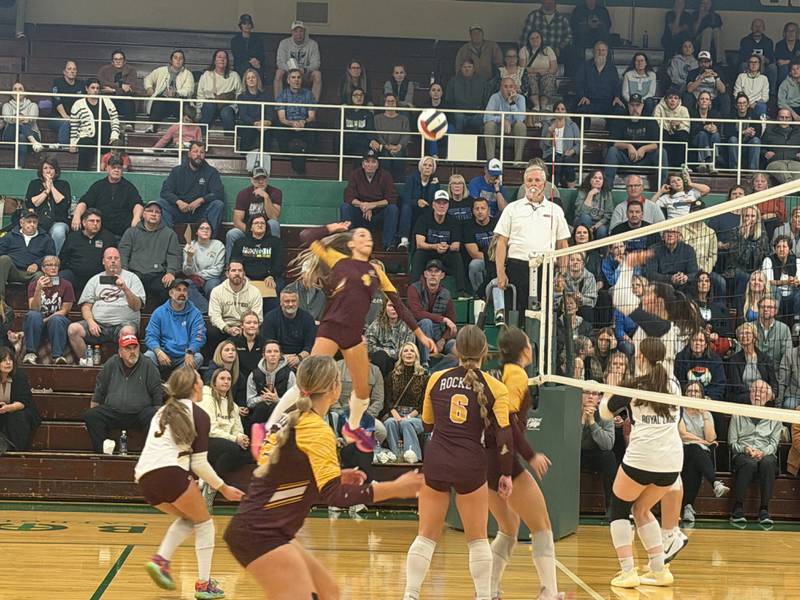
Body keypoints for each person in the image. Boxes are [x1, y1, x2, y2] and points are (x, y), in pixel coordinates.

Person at [225, 355, 421, 599]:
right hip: (260, 532)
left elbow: (280, 474)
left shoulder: (291, 419)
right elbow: (335, 496)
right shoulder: (316, 429)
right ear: (334, 388)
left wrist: (333, 475)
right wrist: (396, 488)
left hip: (263, 528)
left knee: (328, 592)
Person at [265, 224, 435, 453]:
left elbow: (399, 306)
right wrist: (332, 227)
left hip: (354, 334)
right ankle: (271, 427)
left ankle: (352, 429)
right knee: (306, 383)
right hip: (332, 327)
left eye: (370, 236)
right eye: (362, 235)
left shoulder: (377, 272)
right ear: (351, 242)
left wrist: (421, 335)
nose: (368, 239)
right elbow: (306, 236)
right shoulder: (338, 259)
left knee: (362, 393)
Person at [402, 326, 513, 600]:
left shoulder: (436, 378)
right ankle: (484, 596)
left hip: (437, 459)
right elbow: (504, 435)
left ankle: (410, 594)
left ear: (456, 350)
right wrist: (506, 473)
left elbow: (427, 424)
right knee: (477, 539)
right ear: (485, 352)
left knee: (425, 536)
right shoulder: (496, 387)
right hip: (470, 463)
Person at [137, 365, 244, 599]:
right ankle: (203, 585)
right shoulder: (199, 414)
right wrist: (223, 488)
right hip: (169, 472)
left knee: (190, 519)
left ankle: (161, 561)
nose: (203, 384)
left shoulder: (162, 411)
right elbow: (199, 463)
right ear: (195, 386)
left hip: (144, 477)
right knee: (205, 523)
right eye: (200, 380)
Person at [488, 326, 566, 600]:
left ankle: (489, 591)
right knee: (542, 525)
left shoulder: (502, 373)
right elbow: (507, 422)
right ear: (524, 349)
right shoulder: (517, 375)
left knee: (508, 528)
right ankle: (549, 593)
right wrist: (531, 455)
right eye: (529, 344)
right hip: (502, 458)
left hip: (485, 459)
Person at [599, 337, 680, 588]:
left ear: (642, 358)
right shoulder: (674, 384)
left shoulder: (633, 385)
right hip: (671, 462)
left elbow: (604, 413)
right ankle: (659, 570)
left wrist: (611, 388)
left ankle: (627, 571)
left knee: (619, 509)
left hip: (643, 457)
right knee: (642, 510)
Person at [494, 164, 570, 314]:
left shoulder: (555, 210)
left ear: (544, 184)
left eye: (537, 180)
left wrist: (562, 274)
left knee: (542, 317)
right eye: (529, 180)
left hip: (545, 269)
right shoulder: (512, 208)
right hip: (517, 267)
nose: (533, 184)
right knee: (515, 316)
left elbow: (563, 244)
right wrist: (500, 272)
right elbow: (501, 242)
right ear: (524, 184)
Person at [84, 331, 162, 452]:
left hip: (139, 414)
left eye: (135, 348)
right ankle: (102, 453)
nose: (132, 352)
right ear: (120, 352)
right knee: (91, 415)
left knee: (153, 415)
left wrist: (159, 416)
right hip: (113, 413)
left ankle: (149, 454)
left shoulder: (148, 364)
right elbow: (100, 389)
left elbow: (157, 392)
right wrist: (93, 406)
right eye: (128, 349)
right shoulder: (111, 363)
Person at [66, 248, 145, 361]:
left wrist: (125, 289)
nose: (113, 261)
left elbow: (137, 306)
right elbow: (86, 307)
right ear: (103, 261)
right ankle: (87, 364)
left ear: (120, 261)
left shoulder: (132, 278)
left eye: (116, 258)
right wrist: (91, 322)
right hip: (99, 325)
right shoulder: (95, 280)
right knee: (73, 329)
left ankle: (122, 367)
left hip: (124, 324)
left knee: (127, 332)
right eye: (109, 258)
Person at [728, 379, 782, 527]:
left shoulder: (775, 416)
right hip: (743, 454)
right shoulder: (738, 413)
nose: (757, 394)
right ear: (750, 394)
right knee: (749, 463)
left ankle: (764, 509)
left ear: (769, 396)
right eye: (754, 390)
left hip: (765, 453)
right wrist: (745, 449)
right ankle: (738, 508)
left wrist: (762, 452)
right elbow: (732, 442)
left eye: (762, 391)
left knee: (768, 463)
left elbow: (773, 445)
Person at [199, 367, 254, 508]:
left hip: (227, 443)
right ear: (214, 382)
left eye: (229, 379)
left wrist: (242, 438)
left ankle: (209, 482)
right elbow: (211, 430)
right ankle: (211, 483)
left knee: (250, 453)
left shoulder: (233, 405)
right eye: (222, 378)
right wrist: (235, 439)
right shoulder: (207, 399)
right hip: (207, 441)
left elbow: (238, 429)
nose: (226, 382)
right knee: (233, 449)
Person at [678, 381, 729, 523]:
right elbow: (683, 434)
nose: (693, 394)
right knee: (695, 449)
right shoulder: (680, 411)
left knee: (695, 466)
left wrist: (705, 414)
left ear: (701, 395)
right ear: (685, 394)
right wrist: (703, 442)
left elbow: (711, 437)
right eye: (690, 391)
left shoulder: (706, 414)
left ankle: (688, 507)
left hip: (699, 455)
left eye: (696, 392)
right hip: (683, 450)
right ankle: (714, 483)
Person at [119, 199, 181, 307]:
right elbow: (123, 253)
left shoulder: (169, 234)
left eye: (157, 212)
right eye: (150, 211)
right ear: (143, 214)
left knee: (169, 287)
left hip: (158, 274)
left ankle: (162, 316)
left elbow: (174, 255)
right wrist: (124, 272)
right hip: (135, 273)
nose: (154, 214)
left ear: (161, 216)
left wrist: (171, 272)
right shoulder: (131, 232)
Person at [158, 141, 225, 235]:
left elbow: (218, 193)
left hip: (200, 212)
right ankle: (168, 238)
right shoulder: (177, 171)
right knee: (161, 203)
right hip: (179, 210)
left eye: (201, 152)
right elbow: (165, 192)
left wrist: (201, 200)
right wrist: (178, 202)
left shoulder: (211, 172)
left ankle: (210, 240)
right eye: (195, 151)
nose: (198, 155)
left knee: (218, 205)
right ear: (189, 154)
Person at [378, 342, 429, 463]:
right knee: (389, 423)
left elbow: (424, 402)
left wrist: (408, 416)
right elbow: (388, 399)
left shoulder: (424, 376)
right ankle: (397, 457)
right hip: (395, 413)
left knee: (406, 423)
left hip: (416, 415)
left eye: (412, 351)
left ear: (416, 355)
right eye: (405, 351)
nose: (409, 353)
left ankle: (413, 458)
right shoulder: (392, 375)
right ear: (401, 355)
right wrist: (395, 414)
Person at [340, 149, 400, 251]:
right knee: (345, 207)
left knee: (392, 209)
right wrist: (363, 205)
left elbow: (392, 198)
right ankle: (348, 243)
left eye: (373, 162)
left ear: (378, 164)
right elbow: (348, 197)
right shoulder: (355, 174)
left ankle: (388, 245)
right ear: (363, 164)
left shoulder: (385, 175)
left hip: (379, 215)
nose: (370, 165)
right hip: (360, 214)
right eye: (367, 162)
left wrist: (373, 205)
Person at [409, 191, 467, 296]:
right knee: (419, 254)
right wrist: (435, 246)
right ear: (433, 205)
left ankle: (461, 291)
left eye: (444, 203)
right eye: (438, 203)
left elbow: (456, 245)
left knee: (457, 256)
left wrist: (447, 247)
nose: (441, 206)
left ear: (448, 206)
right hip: (428, 252)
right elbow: (419, 243)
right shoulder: (424, 219)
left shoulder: (453, 221)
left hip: (445, 253)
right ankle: (413, 290)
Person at [71, 155, 142, 239]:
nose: (116, 170)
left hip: (122, 232)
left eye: (119, 168)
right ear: (107, 168)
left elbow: (138, 204)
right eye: (113, 167)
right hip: (100, 231)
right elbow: (84, 202)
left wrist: (136, 218)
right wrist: (77, 216)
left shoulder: (129, 187)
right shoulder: (98, 186)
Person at [144, 279, 206, 376]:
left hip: (184, 356)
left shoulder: (195, 313)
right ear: (171, 293)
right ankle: (157, 382)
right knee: (148, 356)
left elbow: (199, 336)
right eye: (178, 290)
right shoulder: (159, 312)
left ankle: (173, 382)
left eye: (185, 290)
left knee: (198, 358)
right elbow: (150, 336)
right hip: (164, 354)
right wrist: (158, 351)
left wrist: (190, 351)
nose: (182, 293)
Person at [603, 94, 668, 185]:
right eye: (632, 105)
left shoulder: (650, 121)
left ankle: (662, 188)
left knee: (661, 152)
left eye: (638, 105)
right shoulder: (620, 119)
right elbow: (612, 142)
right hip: (625, 158)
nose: (635, 108)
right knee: (612, 151)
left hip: (645, 159)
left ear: (642, 106)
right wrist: (628, 146)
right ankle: (607, 188)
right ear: (628, 106)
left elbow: (658, 143)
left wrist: (644, 149)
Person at [407, 259, 458, 368]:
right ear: (425, 274)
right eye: (430, 271)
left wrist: (443, 340)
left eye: (437, 271)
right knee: (426, 322)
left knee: (455, 347)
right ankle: (426, 364)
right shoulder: (414, 289)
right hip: (417, 337)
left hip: (438, 337)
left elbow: (452, 324)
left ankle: (436, 371)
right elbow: (416, 313)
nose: (433, 274)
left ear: (442, 275)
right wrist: (443, 319)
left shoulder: (446, 294)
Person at [22, 255, 73, 365]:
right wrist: (38, 290)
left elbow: (65, 310)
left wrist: (46, 320)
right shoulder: (34, 285)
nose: (53, 268)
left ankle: (58, 356)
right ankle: (30, 354)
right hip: (37, 323)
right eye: (49, 265)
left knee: (57, 319)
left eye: (56, 265)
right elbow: (33, 308)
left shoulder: (66, 285)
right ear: (43, 268)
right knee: (33, 315)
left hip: (57, 324)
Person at [59, 208, 118, 298]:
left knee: (116, 280)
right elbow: (63, 258)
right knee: (58, 279)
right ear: (84, 223)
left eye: (98, 221)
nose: (95, 224)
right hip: (76, 275)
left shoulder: (108, 237)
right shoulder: (73, 237)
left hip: (100, 277)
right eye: (92, 221)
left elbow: (115, 260)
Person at [0, 208, 54, 302]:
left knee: (40, 276)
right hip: (13, 270)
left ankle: (35, 304)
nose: (32, 224)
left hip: (32, 273)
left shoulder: (46, 238)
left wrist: (37, 264)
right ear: (21, 223)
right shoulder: (10, 236)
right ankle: (0, 299)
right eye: (29, 222)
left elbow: (51, 257)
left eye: (34, 222)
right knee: (4, 259)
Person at [207, 261, 263, 350]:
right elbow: (214, 316)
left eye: (240, 270)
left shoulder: (255, 292)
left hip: (245, 327)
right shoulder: (217, 291)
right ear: (227, 274)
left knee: (261, 331)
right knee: (211, 331)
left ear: (244, 274)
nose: (237, 273)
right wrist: (227, 328)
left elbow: (257, 316)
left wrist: (244, 328)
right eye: (233, 270)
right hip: (224, 327)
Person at [231, 214, 284, 307]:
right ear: (251, 227)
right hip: (246, 278)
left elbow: (279, 263)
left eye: (262, 223)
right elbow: (234, 262)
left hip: (268, 278)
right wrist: (242, 276)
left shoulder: (276, 242)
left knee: (277, 288)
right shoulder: (240, 242)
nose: (260, 225)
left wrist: (271, 276)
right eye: (256, 223)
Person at [69, 77, 120, 171]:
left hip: (107, 138)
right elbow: (74, 125)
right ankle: (83, 173)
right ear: (86, 88)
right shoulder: (78, 104)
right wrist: (73, 143)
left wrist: (114, 133)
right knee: (85, 145)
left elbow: (115, 119)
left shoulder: (107, 101)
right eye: (92, 88)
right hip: (87, 138)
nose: (95, 90)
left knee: (116, 145)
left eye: (97, 88)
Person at [580, 389, 616, 515]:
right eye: (586, 392)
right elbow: (569, 443)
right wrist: (582, 421)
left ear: (599, 398)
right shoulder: (570, 410)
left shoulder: (606, 414)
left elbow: (608, 445)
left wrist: (592, 423)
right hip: (575, 454)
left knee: (609, 457)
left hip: (596, 454)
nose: (590, 396)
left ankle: (611, 508)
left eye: (594, 394)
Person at [24, 155, 70, 254]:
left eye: (51, 168)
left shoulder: (63, 184)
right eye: (45, 168)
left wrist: (51, 186)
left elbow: (63, 203)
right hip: (38, 220)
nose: (48, 171)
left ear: (56, 170)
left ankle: (54, 258)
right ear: (41, 171)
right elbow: (33, 203)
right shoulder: (34, 184)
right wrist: (46, 191)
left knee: (58, 232)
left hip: (58, 220)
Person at [245, 339, 297, 427]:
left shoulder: (289, 374)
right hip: (259, 413)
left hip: (281, 414)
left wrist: (277, 400)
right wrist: (262, 398)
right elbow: (249, 402)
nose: (273, 354)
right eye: (269, 352)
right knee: (262, 406)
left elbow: (293, 403)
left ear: (280, 355)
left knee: (274, 407)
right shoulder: (254, 374)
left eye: (276, 351)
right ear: (263, 355)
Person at [275, 68, 317, 175]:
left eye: (298, 77)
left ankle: (297, 171)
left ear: (302, 80)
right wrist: (292, 123)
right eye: (293, 77)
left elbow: (312, 116)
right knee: (282, 131)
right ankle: (299, 171)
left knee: (312, 127)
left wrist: (304, 121)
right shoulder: (282, 95)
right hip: (288, 126)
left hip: (304, 126)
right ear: (288, 80)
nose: (296, 80)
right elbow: (282, 118)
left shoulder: (308, 94)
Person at [573, 40, 624, 128]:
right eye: (598, 50)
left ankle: (612, 136)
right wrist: (582, 96)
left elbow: (616, 85)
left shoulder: (612, 68)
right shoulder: (585, 66)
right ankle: (582, 136)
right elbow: (579, 83)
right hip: (589, 101)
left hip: (607, 102)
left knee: (619, 111)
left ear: (607, 53)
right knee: (579, 110)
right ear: (593, 52)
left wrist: (617, 96)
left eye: (603, 50)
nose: (601, 53)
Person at [143, 49, 195, 131]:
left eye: (181, 58)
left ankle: (184, 130)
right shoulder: (161, 70)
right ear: (171, 60)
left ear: (183, 61)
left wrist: (176, 93)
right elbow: (148, 78)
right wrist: (149, 88)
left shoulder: (188, 74)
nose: (178, 60)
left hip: (178, 101)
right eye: (175, 58)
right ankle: (153, 126)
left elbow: (189, 90)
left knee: (184, 103)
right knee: (159, 100)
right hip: (164, 101)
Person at [726, 322, 778, 404]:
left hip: (764, 397)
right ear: (739, 339)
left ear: (754, 337)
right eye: (741, 333)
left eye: (747, 333)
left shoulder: (765, 359)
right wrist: (756, 392)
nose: (744, 336)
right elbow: (737, 387)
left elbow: (773, 383)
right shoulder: (734, 360)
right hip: (744, 397)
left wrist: (772, 395)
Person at [0, 347, 40, 451]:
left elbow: (23, 402)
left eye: (10, 360)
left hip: (21, 411)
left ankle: (15, 449)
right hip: (2, 412)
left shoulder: (19, 376)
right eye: (4, 360)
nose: (8, 363)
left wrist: (7, 408)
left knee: (17, 416)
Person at [261, 288, 316, 365]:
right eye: (287, 301)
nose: (290, 304)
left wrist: (299, 358)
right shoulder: (270, 318)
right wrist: (282, 357)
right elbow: (268, 344)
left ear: (298, 302)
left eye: (293, 301)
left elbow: (309, 346)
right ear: (281, 303)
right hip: (276, 358)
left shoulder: (308, 319)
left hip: (301, 358)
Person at [182, 220, 225, 315]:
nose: (205, 230)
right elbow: (187, 272)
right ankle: (206, 310)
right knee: (186, 284)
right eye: (202, 228)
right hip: (193, 279)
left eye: (208, 228)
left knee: (213, 286)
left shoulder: (218, 245)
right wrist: (189, 258)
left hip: (211, 278)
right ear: (197, 232)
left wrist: (199, 274)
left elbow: (218, 270)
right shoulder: (189, 246)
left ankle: (215, 311)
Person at [273, 20, 322, 101]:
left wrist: (305, 69)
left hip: (305, 73)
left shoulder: (312, 44)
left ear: (305, 32)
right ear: (292, 32)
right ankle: (278, 104)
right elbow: (280, 62)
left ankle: (313, 105)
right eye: (296, 31)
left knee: (317, 74)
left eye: (301, 31)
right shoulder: (284, 43)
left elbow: (316, 63)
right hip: (288, 73)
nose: (299, 34)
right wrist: (291, 70)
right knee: (278, 73)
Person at [196, 49, 243, 132]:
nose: (222, 59)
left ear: (227, 61)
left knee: (226, 112)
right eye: (219, 57)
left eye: (225, 57)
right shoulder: (207, 75)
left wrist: (235, 108)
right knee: (210, 106)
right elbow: (200, 95)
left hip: (227, 106)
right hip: (209, 107)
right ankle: (201, 136)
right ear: (214, 60)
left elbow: (239, 94)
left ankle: (229, 137)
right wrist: (198, 110)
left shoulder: (234, 75)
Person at [399, 156, 439, 251]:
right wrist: (417, 202)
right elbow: (406, 198)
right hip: (412, 209)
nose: (427, 167)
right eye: (425, 165)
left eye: (430, 165)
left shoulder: (434, 182)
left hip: (426, 210)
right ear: (421, 167)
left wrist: (433, 186)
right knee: (406, 208)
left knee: (432, 210)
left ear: (433, 169)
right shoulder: (411, 179)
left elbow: (434, 201)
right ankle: (404, 240)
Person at [366, 300, 415, 377]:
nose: (393, 309)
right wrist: (384, 352)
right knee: (380, 356)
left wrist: (389, 352)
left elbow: (409, 347)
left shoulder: (407, 326)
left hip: (399, 361)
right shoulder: (377, 324)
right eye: (390, 305)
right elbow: (368, 345)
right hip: (381, 360)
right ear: (385, 308)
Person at [483, 77, 527, 163]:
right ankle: (490, 161)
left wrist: (512, 103)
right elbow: (486, 117)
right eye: (505, 86)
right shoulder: (495, 97)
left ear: (515, 88)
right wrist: (502, 120)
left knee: (521, 126)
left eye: (511, 86)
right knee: (489, 125)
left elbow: (520, 119)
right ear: (501, 88)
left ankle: (517, 161)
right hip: (498, 127)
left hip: (513, 127)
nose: (508, 89)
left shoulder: (520, 98)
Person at [763, 234, 800, 332]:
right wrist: (786, 282)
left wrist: (796, 281)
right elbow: (767, 282)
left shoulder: (796, 260)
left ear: (789, 249)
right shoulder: (768, 260)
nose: (781, 249)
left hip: (791, 293)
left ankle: (797, 323)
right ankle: (776, 322)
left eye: (784, 246)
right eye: (778, 247)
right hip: (777, 293)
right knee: (775, 291)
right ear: (775, 249)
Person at [2, 81, 43, 168]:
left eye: (20, 89)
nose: (17, 91)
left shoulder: (33, 105)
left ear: (25, 93)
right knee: (17, 124)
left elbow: (32, 118)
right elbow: (7, 118)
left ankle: (20, 167)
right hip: (11, 134)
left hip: (32, 132)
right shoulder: (6, 105)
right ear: (11, 93)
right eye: (15, 89)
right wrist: (21, 118)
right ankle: (34, 142)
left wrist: (17, 118)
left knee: (21, 137)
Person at [371, 92, 410, 181]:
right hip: (383, 148)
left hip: (399, 148)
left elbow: (406, 135)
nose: (390, 103)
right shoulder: (377, 118)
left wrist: (399, 146)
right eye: (388, 101)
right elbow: (377, 134)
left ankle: (398, 185)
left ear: (396, 103)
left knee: (399, 159)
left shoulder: (404, 119)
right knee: (385, 159)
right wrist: (386, 146)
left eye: (393, 101)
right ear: (384, 103)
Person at [464, 197, 498, 298]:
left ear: (488, 210)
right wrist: (491, 260)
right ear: (473, 211)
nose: (480, 211)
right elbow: (474, 254)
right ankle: (480, 296)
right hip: (484, 260)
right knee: (474, 265)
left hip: (499, 259)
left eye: (483, 208)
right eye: (477, 209)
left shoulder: (497, 224)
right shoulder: (468, 227)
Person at [445, 57, 489, 134]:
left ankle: (481, 142)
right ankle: (456, 141)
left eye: (469, 67)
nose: (467, 69)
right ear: (461, 68)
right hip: (459, 114)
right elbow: (449, 100)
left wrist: (481, 110)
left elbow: (486, 99)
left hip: (477, 114)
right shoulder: (453, 81)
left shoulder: (482, 81)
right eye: (464, 67)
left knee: (483, 118)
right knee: (457, 118)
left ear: (474, 68)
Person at [540, 101, 580, 187]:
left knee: (568, 162)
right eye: (557, 109)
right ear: (554, 111)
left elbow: (579, 144)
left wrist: (572, 151)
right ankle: (553, 190)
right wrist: (549, 132)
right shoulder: (548, 124)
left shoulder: (572, 125)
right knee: (556, 162)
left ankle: (571, 189)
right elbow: (543, 145)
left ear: (566, 111)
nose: (560, 111)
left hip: (568, 154)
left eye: (562, 109)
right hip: (551, 153)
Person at [518, 30, 557, 115]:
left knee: (549, 78)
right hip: (531, 75)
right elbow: (522, 69)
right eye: (532, 38)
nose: (535, 40)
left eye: (537, 37)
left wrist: (545, 72)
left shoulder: (548, 50)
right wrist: (538, 71)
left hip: (546, 75)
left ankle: (543, 105)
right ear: (528, 40)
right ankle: (536, 105)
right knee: (530, 78)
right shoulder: (524, 50)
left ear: (541, 39)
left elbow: (554, 69)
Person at [98, 49, 139, 128]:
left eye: (120, 59)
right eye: (116, 59)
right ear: (112, 61)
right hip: (109, 99)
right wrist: (120, 85)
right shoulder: (104, 70)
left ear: (124, 61)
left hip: (124, 101)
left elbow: (128, 88)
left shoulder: (131, 70)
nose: (118, 61)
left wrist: (113, 90)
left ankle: (129, 125)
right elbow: (101, 83)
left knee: (128, 99)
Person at [236, 68, 274, 153]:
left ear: (257, 79)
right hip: (249, 124)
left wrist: (267, 122)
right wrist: (255, 123)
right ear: (245, 81)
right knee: (247, 137)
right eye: (248, 78)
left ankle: (266, 159)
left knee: (267, 135)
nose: (251, 80)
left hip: (264, 124)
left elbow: (270, 112)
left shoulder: (267, 95)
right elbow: (243, 115)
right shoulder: (241, 97)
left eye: (253, 77)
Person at [652, 88, 690, 169]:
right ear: (665, 100)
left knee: (682, 135)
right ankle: (665, 165)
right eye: (670, 98)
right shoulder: (659, 107)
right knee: (663, 135)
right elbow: (655, 124)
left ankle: (680, 166)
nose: (673, 100)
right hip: (664, 132)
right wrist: (669, 126)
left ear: (679, 101)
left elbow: (686, 126)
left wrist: (678, 126)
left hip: (678, 133)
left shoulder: (684, 109)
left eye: (675, 98)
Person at [737, 18, 777, 95]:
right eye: (755, 26)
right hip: (749, 67)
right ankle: (743, 92)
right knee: (743, 65)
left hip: (764, 68)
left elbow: (771, 60)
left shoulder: (768, 41)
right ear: (751, 28)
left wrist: (764, 59)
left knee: (773, 68)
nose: (757, 29)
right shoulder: (745, 41)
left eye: (760, 26)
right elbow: (741, 58)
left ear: (763, 28)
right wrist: (753, 60)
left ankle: (771, 93)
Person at [761, 108, 800, 184]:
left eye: (787, 117)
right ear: (777, 118)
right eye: (782, 117)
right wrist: (765, 153)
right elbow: (760, 147)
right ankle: (790, 187)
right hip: (775, 162)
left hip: (794, 162)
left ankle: (790, 188)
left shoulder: (798, 132)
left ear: (791, 119)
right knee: (781, 169)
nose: (784, 119)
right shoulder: (769, 131)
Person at [685, 50, 729, 115]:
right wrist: (701, 77)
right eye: (701, 62)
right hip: (697, 99)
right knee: (687, 96)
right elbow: (689, 89)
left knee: (725, 97)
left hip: (713, 99)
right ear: (698, 63)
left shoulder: (717, 72)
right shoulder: (693, 73)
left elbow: (723, 90)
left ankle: (724, 119)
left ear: (710, 62)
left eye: (706, 62)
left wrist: (717, 78)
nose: (703, 64)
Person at [754, 296, 793, 369]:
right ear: (758, 310)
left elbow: (787, 355)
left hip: (776, 371)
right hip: (754, 371)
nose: (766, 309)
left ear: (776, 311)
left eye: (769, 307)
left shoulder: (784, 329)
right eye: (763, 307)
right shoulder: (749, 327)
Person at [573, 169, 613, 239]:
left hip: (599, 223)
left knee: (602, 230)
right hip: (582, 221)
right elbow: (581, 213)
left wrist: (596, 226)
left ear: (603, 181)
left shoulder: (607, 194)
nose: (597, 180)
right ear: (590, 180)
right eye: (595, 178)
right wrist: (590, 195)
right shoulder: (582, 192)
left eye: (600, 178)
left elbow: (608, 215)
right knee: (585, 217)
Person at [50, 60, 82, 145]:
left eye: (74, 69)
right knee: (67, 123)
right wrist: (65, 116)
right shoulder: (57, 82)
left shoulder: (81, 84)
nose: (72, 71)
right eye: (69, 69)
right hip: (57, 117)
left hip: (75, 117)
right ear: (64, 71)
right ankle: (64, 146)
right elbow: (57, 100)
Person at [689, 90, 721, 172]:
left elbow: (719, 126)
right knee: (702, 134)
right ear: (698, 102)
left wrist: (714, 128)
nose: (704, 101)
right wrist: (704, 127)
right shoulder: (692, 113)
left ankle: (712, 163)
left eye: (706, 99)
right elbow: (692, 128)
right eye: (702, 99)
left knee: (716, 135)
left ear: (710, 102)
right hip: (696, 140)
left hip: (711, 139)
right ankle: (703, 162)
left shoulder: (715, 113)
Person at [734, 54, 770, 119]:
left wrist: (755, 103)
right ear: (748, 64)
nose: (753, 64)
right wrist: (747, 103)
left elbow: (765, 97)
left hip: (757, 105)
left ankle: (761, 125)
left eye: (756, 62)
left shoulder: (764, 78)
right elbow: (736, 93)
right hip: (744, 104)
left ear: (759, 65)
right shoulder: (741, 76)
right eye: (751, 62)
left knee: (762, 106)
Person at [343, 86, 375, 158]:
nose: (359, 97)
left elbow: (370, 131)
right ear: (351, 97)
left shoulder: (368, 114)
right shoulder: (344, 112)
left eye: (361, 95)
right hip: (346, 145)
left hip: (362, 146)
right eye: (356, 95)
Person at [230, 13, 265, 78]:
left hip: (255, 65)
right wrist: (250, 61)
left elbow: (261, 55)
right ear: (241, 26)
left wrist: (257, 61)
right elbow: (238, 56)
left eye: (249, 24)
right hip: (241, 66)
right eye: (244, 24)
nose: (247, 26)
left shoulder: (257, 39)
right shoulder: (235, 40)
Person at [692, 0, 724, 64]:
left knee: (716, 30)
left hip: (713, 41)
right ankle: (704, 58)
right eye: (703, 3)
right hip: (698, 40)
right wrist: (700, 17)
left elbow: (720, 34)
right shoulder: (695, 14)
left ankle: (720, 60)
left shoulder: (716, 16)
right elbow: (694, 32)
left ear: (711, 4)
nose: (705, 5)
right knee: (707, 30)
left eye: (707, 3)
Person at [779, 344, 800, 410]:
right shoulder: (789, 354)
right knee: (789, 405)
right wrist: (778, 405)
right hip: (793, 395)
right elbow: (782, 382)